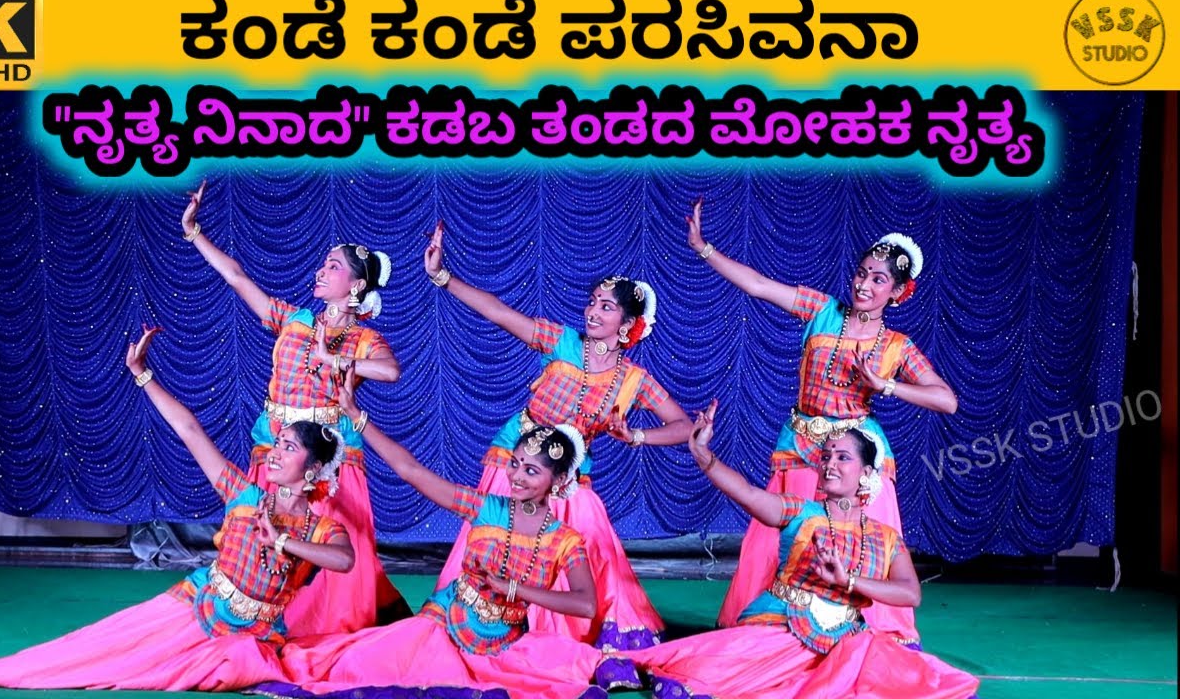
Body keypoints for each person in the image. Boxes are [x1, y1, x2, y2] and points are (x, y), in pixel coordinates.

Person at [0, 326, 356, 692]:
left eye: (289, 447)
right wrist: (142, 374)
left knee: (228, 662)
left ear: (314, 467)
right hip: (197, 608)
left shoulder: (318, 528)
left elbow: (343, 559)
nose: (276, 453)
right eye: (277, 443)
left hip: (250, 639)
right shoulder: (244, 497)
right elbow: (189, 429)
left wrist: (282, 540)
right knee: (102, 651)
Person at [687, 199, 957, 644]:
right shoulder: (821, 309)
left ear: (898, 291)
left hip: (855, 449)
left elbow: (946, 400)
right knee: (788, 532)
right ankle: (778, 623)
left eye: (879, 279)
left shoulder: (896, 346)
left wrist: (887, 386)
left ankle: (867, 628)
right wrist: (703, 248)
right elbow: (757, 285)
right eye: (862, 273)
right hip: (801, 442)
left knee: (859, 536)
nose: (865, 284)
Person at [253, 364, 606, 699]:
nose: (515, 476)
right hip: (441, 629)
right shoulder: (486, 508)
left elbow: (586, 603)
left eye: (531, 471)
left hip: (504, 645)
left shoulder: (565, 541)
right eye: (514, 464)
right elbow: (410, 471)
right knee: (356, 668)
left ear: (558, 481)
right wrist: (357, 417)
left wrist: (514, 589)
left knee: (576, 670)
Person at [423, 220, 693, 649]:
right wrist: (443, 276)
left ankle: (572, 632)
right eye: (593, 301)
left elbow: (685, 426)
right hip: (519, 453)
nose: (593, 311)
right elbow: (499, 312)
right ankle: (477, 620)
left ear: (627, 324)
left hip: (566, 472)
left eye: (606, 306)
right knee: (496, 532)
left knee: (587, 538)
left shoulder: (634, 379)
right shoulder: (563, 341)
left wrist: (637, 437)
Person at [602, 401, 979, 699]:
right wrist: (705, 457)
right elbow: (748, 495)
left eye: (842, 457)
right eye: (826, 456)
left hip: (846, 639)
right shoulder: (798, 512)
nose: (829, 464)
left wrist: (850, 581)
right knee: (708, 668)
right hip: (780, 627)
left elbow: (909, 593)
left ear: (867, 473)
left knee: (922, 681)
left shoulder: (884, 536)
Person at [180, 179, 409, 634]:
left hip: (327, 459)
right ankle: (257, 617)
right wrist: (194, 233)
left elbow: (389, 371)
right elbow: (237, 278)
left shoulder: (363, 337)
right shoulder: (293, 319)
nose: (321, 271)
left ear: (356, 284)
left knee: (335, 544)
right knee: (266, 530)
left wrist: (335, 358)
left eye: (334, 266)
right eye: (323, 264)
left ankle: (333, 629)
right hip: (276, 448)